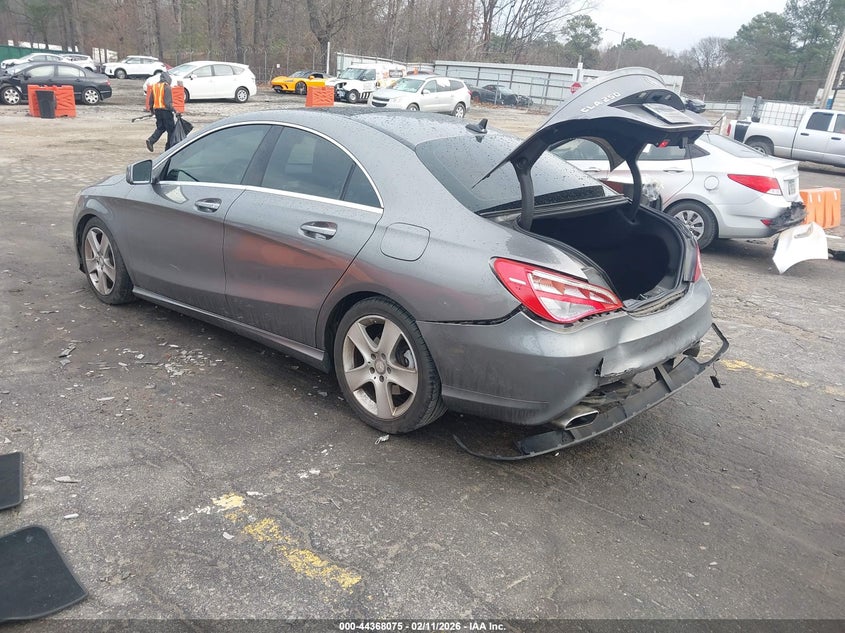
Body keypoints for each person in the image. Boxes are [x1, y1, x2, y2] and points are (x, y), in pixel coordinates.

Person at [146, 72, 177, 152]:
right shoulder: (167, 88)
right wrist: (175, 110)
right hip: (166, 112)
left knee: (161, 127)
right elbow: (168, 103)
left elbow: (151, 100)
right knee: (171, 130)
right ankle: (169, 149)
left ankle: (151, 140)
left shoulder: (155, 86)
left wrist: (152, 110)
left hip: (157, 111)